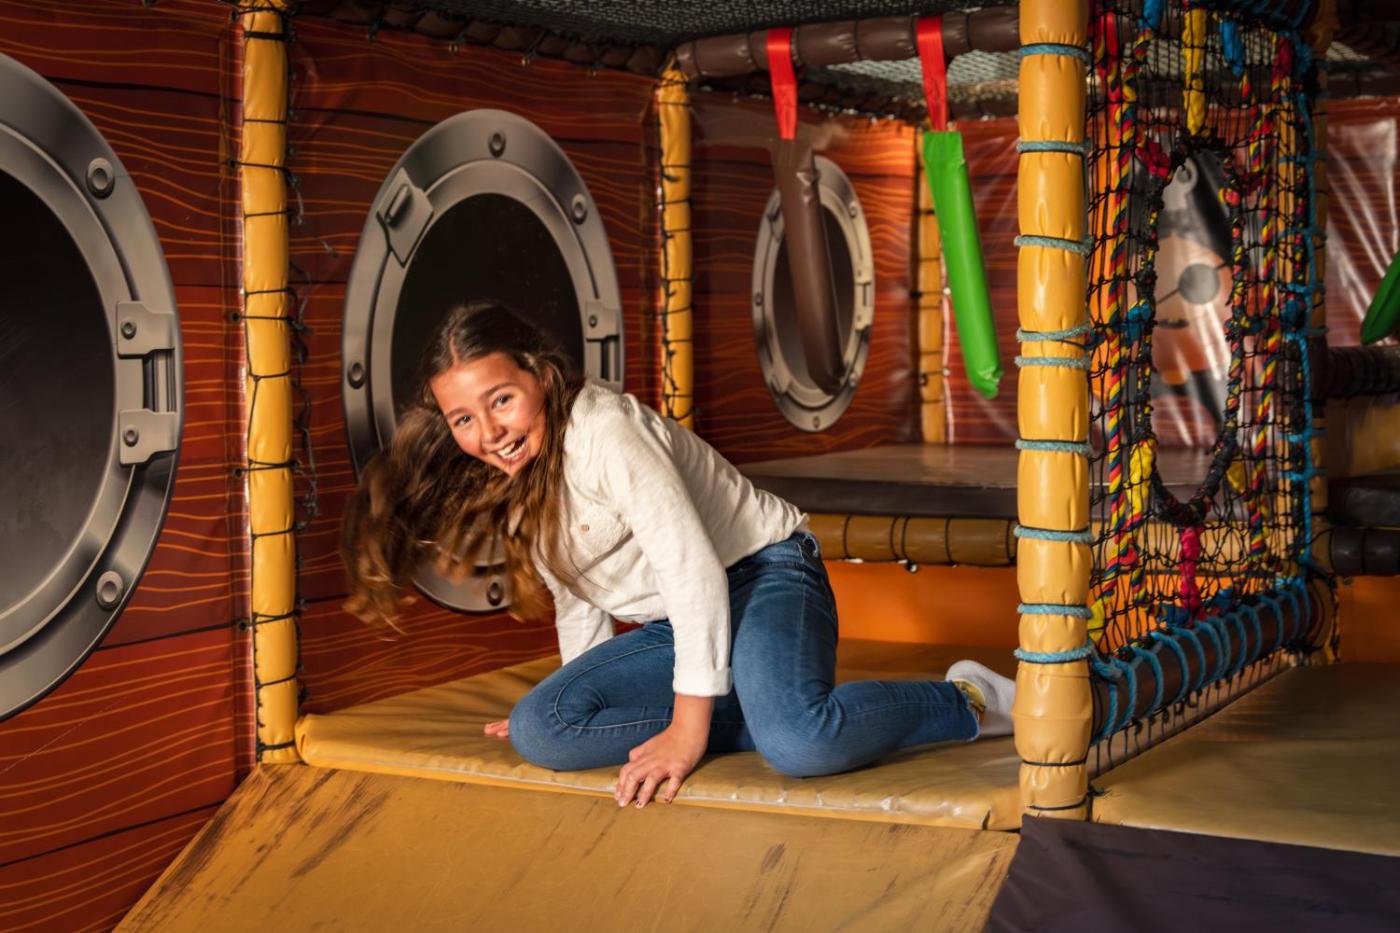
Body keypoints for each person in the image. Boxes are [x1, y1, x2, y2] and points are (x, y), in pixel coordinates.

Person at [342, 300, 1015, 810]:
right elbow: (578, 598)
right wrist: (571, 697)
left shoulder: (605, 431)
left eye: (502, 400)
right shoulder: (515, 476)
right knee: (541, 730)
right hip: (678, 622)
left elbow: (691, 568)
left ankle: (967, 698)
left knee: (800, 744)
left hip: (765, 577)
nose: (490, 432)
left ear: (540, 375)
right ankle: (755, 700)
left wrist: (689, 730)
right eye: (464, 419)